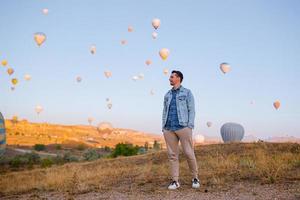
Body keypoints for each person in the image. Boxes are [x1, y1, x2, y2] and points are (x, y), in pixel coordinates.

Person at [162, 70, 200, 190]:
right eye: (170, 77)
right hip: (169, 128)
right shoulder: (167, 94)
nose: (170, 79)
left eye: (172, 77)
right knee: (172, 155)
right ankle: (175, 181)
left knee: (189, 153)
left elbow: (192, 110)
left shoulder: (187, 92)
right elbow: (164, 111)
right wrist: (163, 126)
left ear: (178, 78)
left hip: (183, 127)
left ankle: (195, 178)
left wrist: (190, 125)